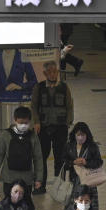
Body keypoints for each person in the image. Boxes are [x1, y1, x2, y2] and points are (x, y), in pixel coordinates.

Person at [31, 61, 74, 193]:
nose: (53, 74)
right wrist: (36, 122)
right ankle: (40, 185)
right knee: (41, 157)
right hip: (43, 127)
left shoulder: (64, 87)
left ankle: (59, 187)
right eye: (49, 72)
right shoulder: (39, 87)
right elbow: (34, 106)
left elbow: (69, 106)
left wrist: (67, 123)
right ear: (45, 73)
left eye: (55, 71)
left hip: (60, 127)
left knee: (60, 158)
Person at [0, 106, 43, 197]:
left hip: (26, 179)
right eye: (21, 122)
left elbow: (38, 158)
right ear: (15, 120)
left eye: (26, 123)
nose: (23, 125)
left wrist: (39, 178)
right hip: (9, 178)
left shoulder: (33, 136)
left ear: (30, 121)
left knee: (25, 206)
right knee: (9, 204)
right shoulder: (6, 135)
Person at [63, 121, 104, 210]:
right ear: (74, 135)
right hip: (73, 180)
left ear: (87, 135)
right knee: (72, 203)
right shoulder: (69, 146)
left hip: (89, 181)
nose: (80, 137)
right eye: (78, 134)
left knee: (90, 203)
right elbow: (64, 160)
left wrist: (86, 162)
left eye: (83, 134)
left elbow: (99, 162)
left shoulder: (92, 147)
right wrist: (73, 162)